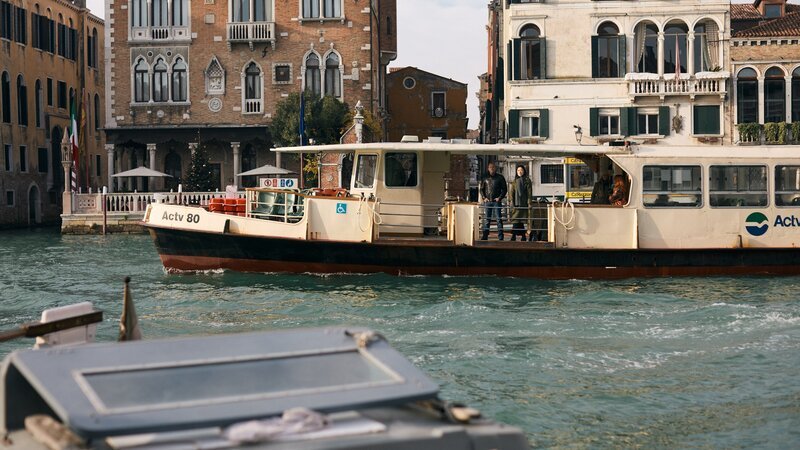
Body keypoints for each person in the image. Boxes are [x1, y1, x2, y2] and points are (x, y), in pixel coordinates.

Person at [480, 162, 507, 240]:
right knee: (487, 219)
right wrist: (484, 198)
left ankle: (501, 237)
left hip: (496, 201)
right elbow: (481, 189)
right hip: (488, 201)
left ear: (496, 168)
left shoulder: (500, 177)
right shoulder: (485, 178)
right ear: (488, 168)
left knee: (499, 219)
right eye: (490, 167)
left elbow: (504, 189)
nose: (492, 169)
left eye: (493, 167)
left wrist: (500, 198)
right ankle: (485, 236)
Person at [507, 165, 532, 241]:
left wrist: (529, 202)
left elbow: (529, 192)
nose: (519, 172)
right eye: (518, 170)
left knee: (521, 220)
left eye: (521, 170)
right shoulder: (515, 181)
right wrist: (511, 201)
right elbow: (512, 192)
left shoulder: (527, 180)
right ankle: (518, 236)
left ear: (524, 171)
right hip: (516, 204)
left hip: (524, 203)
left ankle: (517, 236)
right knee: (516, 220)